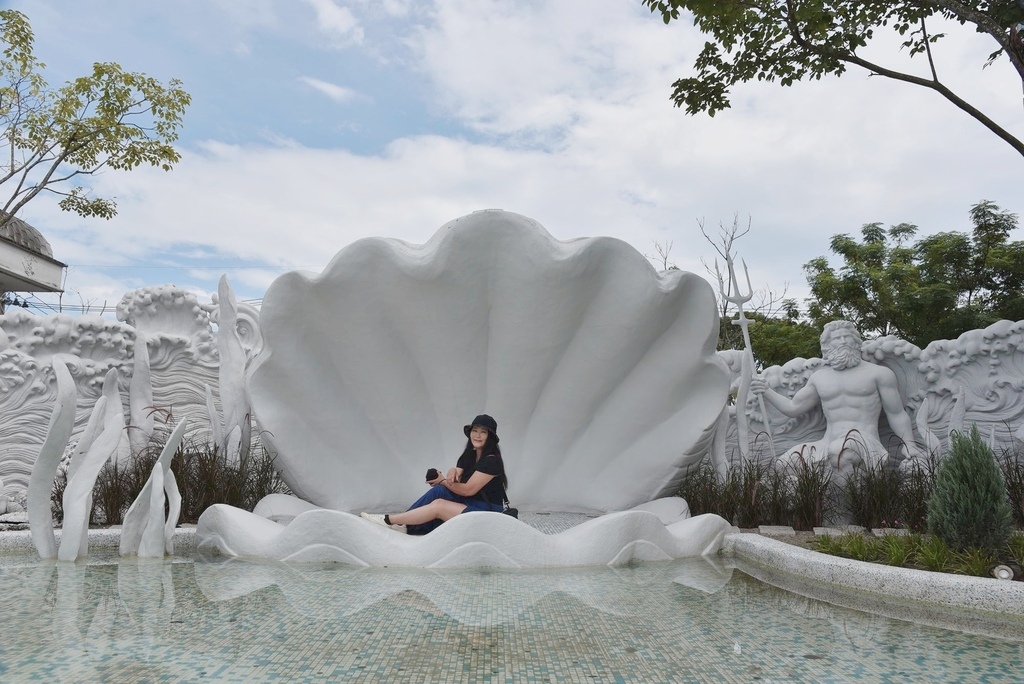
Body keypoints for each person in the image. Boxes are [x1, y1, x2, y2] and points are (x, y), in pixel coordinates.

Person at [750, 320, 921, 474]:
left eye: (847, 337)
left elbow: (896, 413)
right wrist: (766, 391)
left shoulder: (879, 374)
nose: (843, 342)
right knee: (785, 464)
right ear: (827, 346)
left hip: (866, 443)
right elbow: (793, 408)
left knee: (839, 453)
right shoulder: (820, 378)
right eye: (837, 338)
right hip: (828, 444)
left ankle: (844, 509)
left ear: (856, 341)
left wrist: (909, 445)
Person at [360, 414, 508, 534]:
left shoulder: (492, 461)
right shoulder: (470, 455)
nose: (478, 435)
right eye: (475, 430)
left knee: (439, 505)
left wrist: (443, 480)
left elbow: (468, 490)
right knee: (439, 491)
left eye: (483, 432)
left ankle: (389, 520)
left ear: (490, 437)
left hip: (488, 512)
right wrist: (451, 471)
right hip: (471, 504)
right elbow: (458, 472)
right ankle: (402, 522)